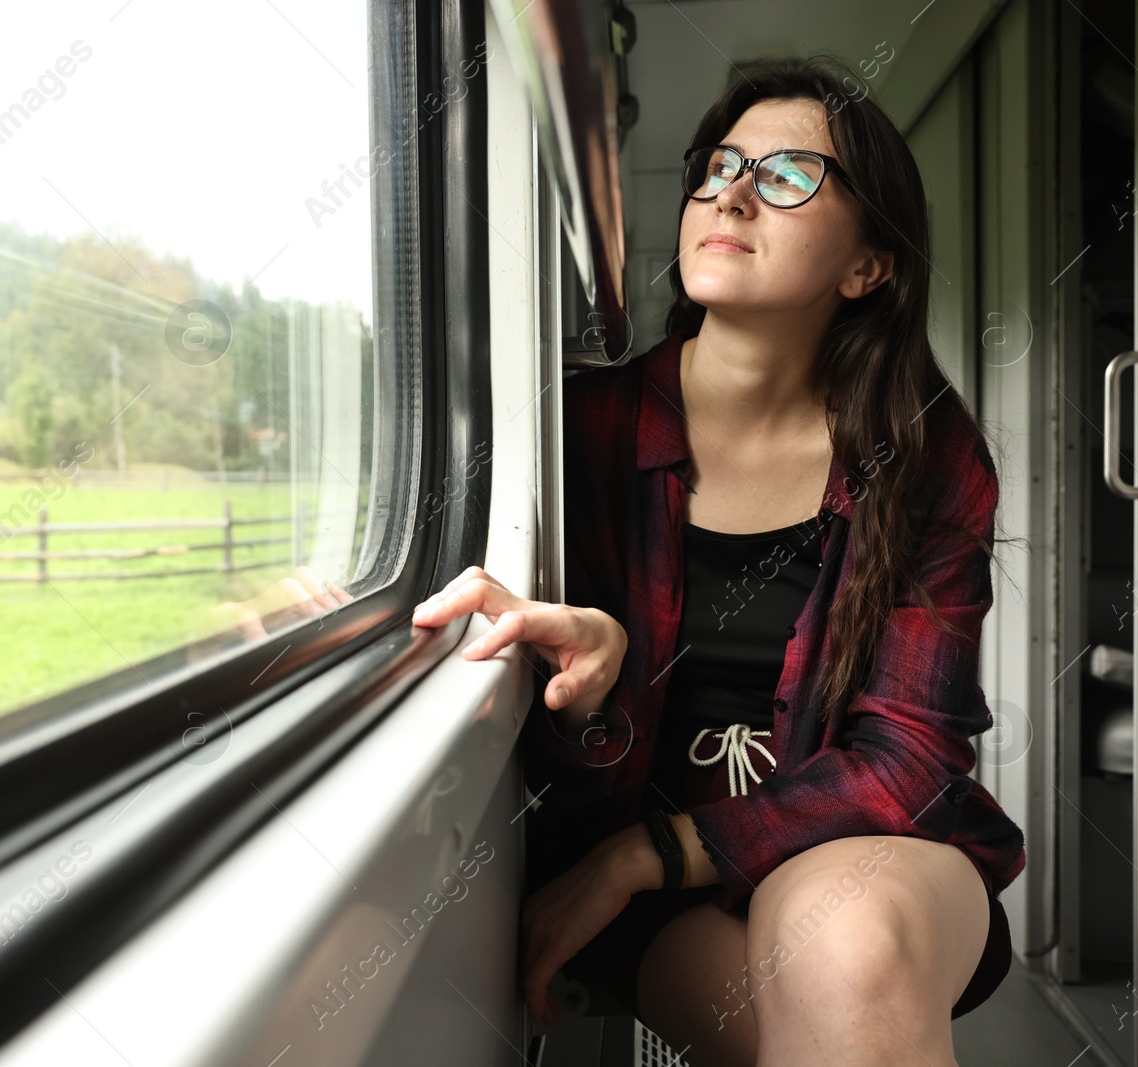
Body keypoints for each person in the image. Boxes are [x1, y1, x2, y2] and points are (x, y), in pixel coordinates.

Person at [411, 57, 1025, 1067]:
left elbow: (910, 761)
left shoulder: (922, 454)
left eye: (788, 175)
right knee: (832, 1011)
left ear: (867, 265)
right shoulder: (574, 437)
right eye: (721, 166)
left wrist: (647, 853)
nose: (731, 191)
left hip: (860, 855)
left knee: (850, 943)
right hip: (651, 904)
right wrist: (596, 685)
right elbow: (532, 755)